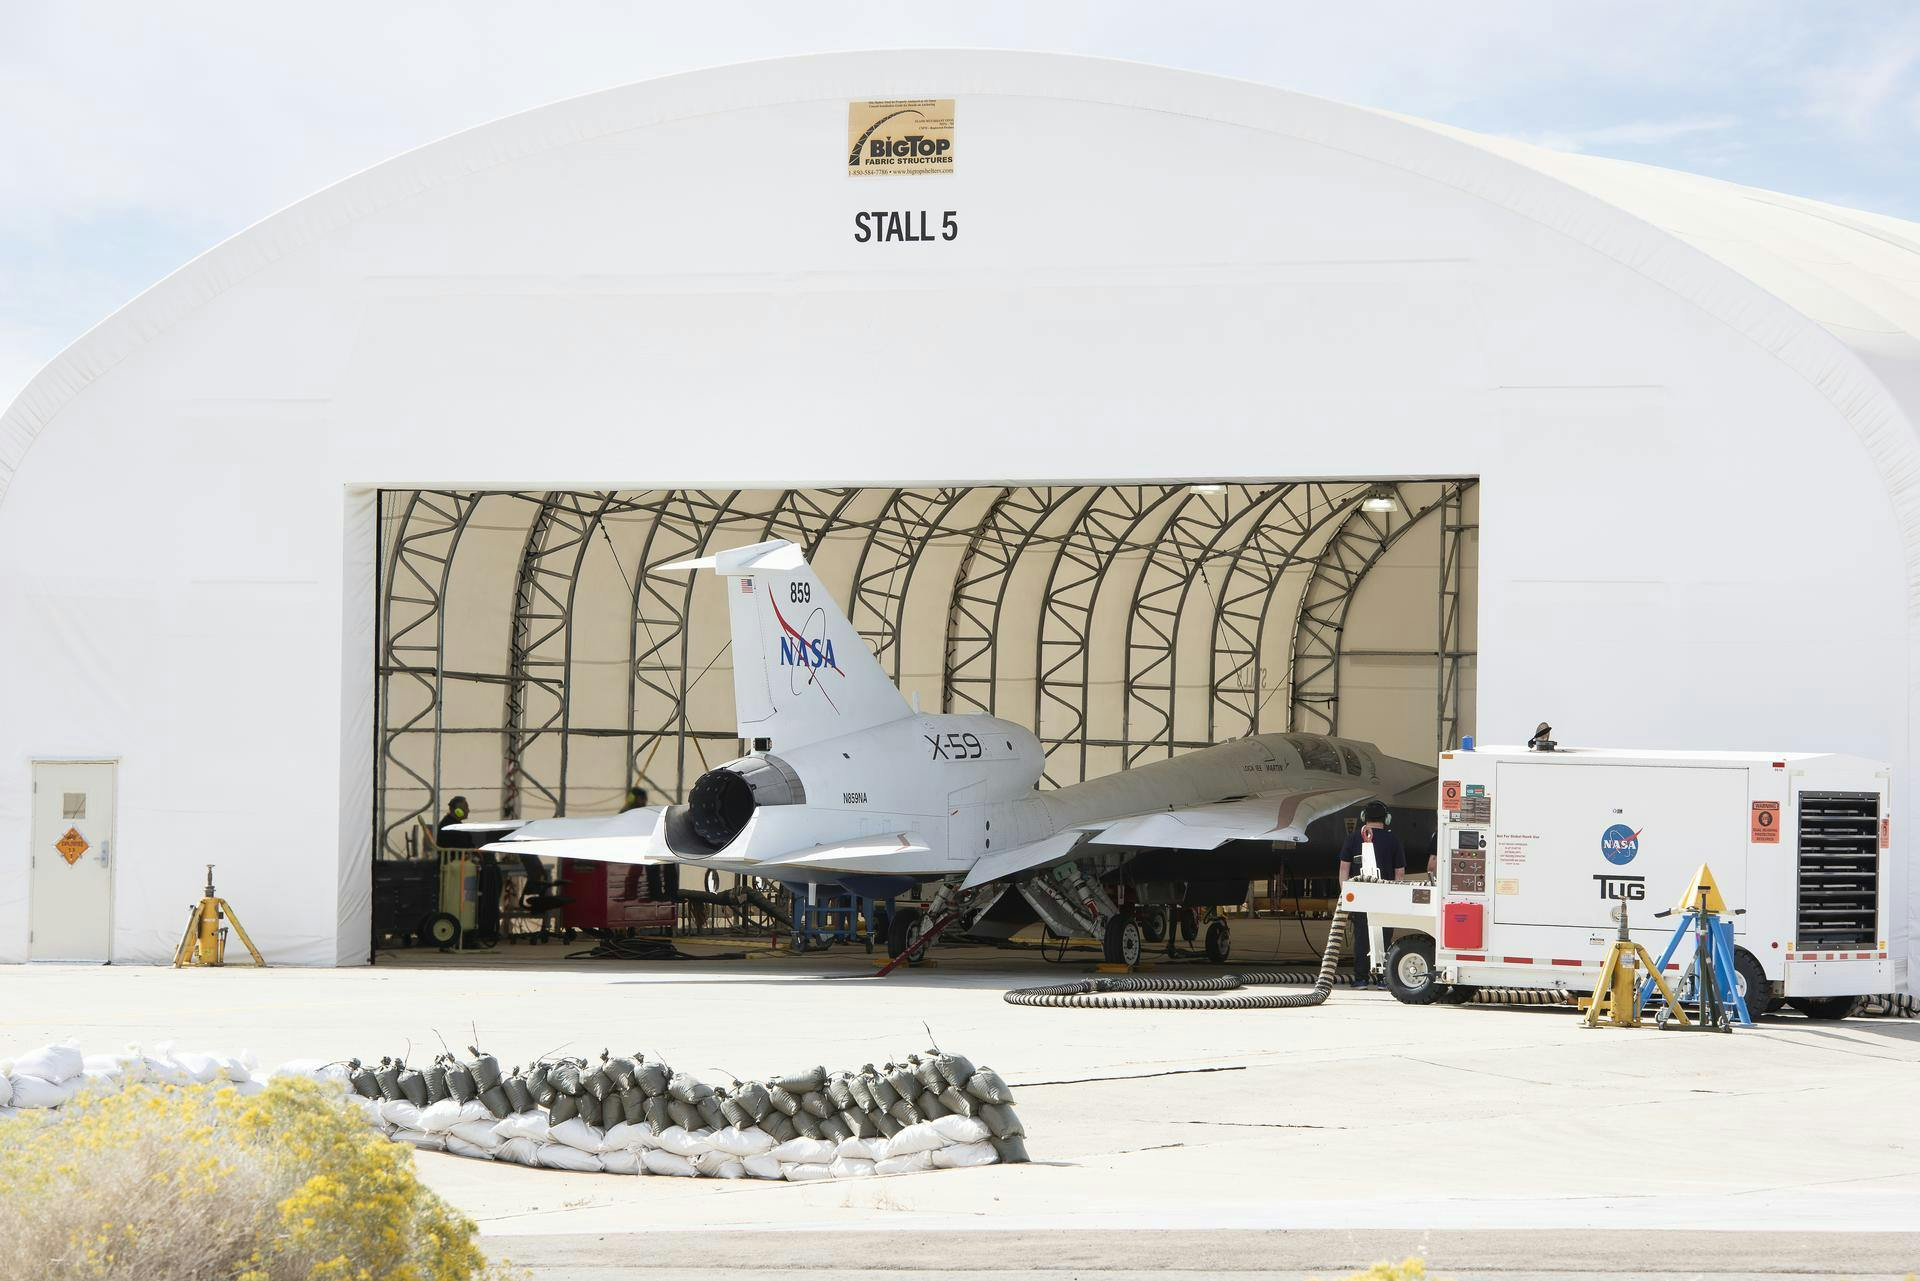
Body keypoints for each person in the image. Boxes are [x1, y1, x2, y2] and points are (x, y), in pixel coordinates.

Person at [1338, 800, 1405, 988]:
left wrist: (1346, 895)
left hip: (1360, 896)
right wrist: (1397, 897)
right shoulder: (1393, 840)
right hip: (1387, 896)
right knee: (1385, 938)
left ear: (1363, 817)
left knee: (1361, 937)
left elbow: (1343, 870)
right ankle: (1384, 979)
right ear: (1387, 819)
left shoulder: (1353, 838)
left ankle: (1361, 979)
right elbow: (1399, 873)